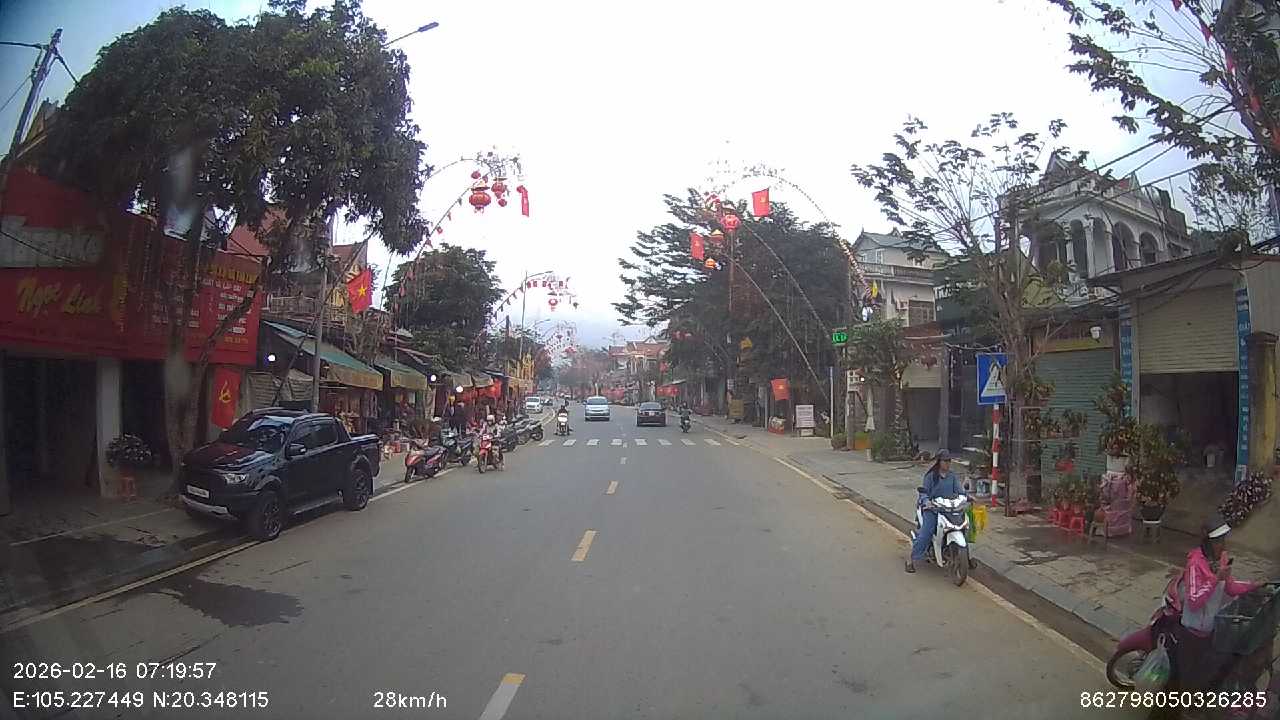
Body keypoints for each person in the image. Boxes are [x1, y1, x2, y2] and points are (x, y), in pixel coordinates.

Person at [1166, 514, 1264, 691]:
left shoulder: (1222, 559)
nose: (1222, 545)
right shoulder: (1195, 564)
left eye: (1223, 540)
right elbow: (1194, 601)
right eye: (1218, 541)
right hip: (1192, 634)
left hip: (1211, 631)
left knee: (1206, 677)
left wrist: (1253, 585)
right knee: (1187, 681)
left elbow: (1231, 587)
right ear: (1208, 543)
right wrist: (1215, 579)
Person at [905, 449, 961, 573]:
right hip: (932, 509)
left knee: (962, 526)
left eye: (949, 461)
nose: (947, 463)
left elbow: (959, 491)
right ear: (939, 462)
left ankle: (965, 556)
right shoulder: (930, 476)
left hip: (948, 509)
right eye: (945, 461)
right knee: (927, 532)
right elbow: (924, 493)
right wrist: (927, 502)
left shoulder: (952, 476)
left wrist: (967, 497)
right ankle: (911, 559)